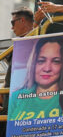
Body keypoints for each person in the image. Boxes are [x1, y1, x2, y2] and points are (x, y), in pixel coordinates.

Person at [8, 36, 63, 120]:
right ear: (33, 63)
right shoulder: (17, 96)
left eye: (56, 61)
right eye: (41, 61)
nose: (47, 69)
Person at [0, 7, 34, 136]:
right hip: (11, 102)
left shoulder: (34, 42)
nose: (12, 28)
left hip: (20, 106)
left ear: (22, 21)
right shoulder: (17, 45)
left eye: (12, 23)